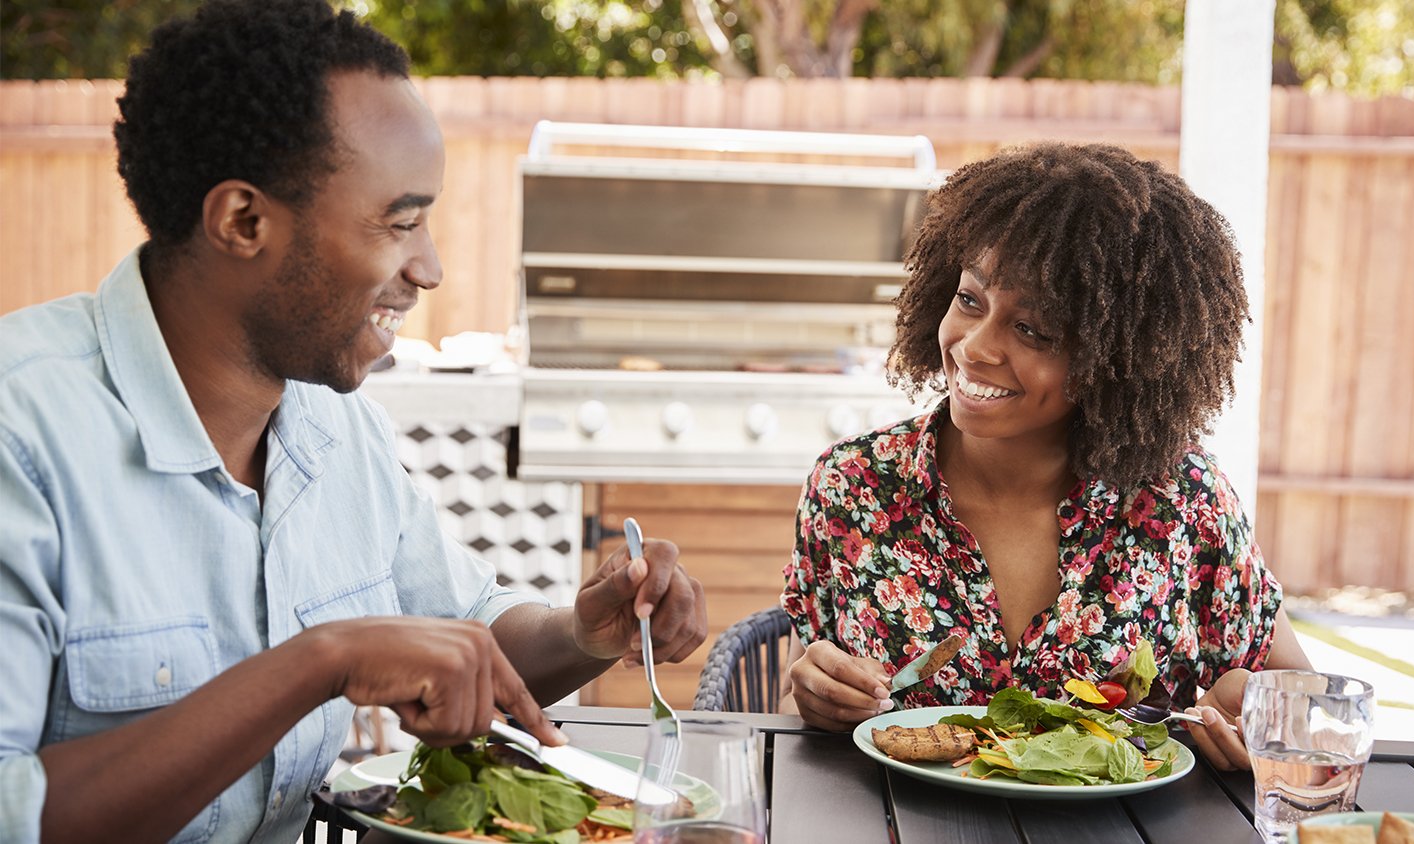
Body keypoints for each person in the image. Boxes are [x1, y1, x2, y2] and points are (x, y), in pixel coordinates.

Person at [0, 2, 706, 842]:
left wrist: (584, 632)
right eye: (401, 222)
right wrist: (319, 663)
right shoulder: (24, 437)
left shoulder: (334, 432)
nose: (431, 267)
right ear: (243, 222)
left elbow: (470, 636)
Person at [778, 142, 1312, 771]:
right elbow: (804, 713)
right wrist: (814, 697)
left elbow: (1302, 700)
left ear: (1115, 360)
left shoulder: (1183, 503)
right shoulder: (854, 487)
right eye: (971, 300)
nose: (975, 347)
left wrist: (1255, 712)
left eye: (1032, 330)